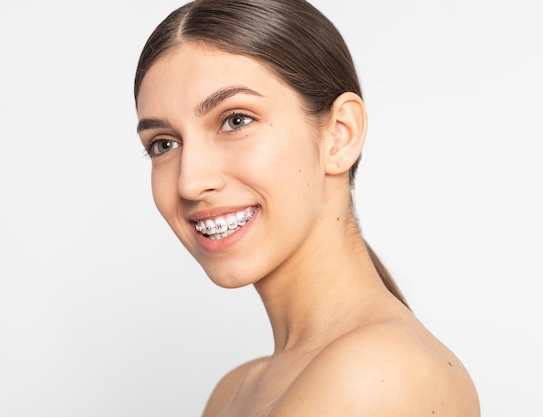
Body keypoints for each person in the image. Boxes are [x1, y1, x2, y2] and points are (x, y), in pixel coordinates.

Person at [134, 0, 480, 415]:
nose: (190, 181)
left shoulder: (379, 372)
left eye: (236, 120)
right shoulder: (233, 392)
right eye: (164, 144)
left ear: (340, 135)